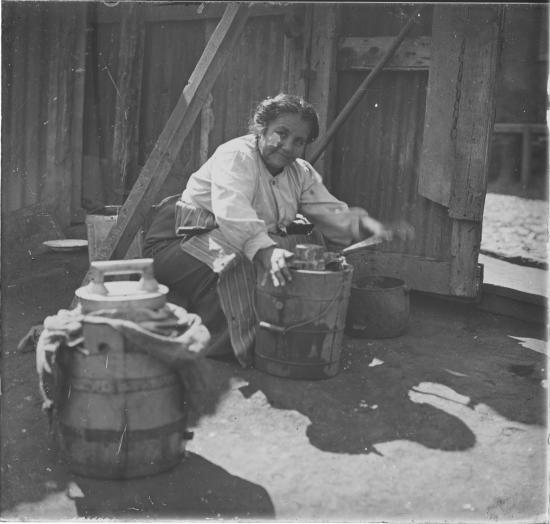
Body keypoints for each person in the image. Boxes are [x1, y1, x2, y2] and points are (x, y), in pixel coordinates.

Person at [143, 93, 409, 367]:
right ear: (261, 129)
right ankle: (219, 346)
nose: (287, 146)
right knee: (242, 261)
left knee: (300, 251)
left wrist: (367, 226)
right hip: (179, 241)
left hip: (228, 238)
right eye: (280, 133)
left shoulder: (299, 172)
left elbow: (329, 211)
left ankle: (265, 334)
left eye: (299, 141)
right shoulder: (236, 155)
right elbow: (233, 212)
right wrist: (267, 252)